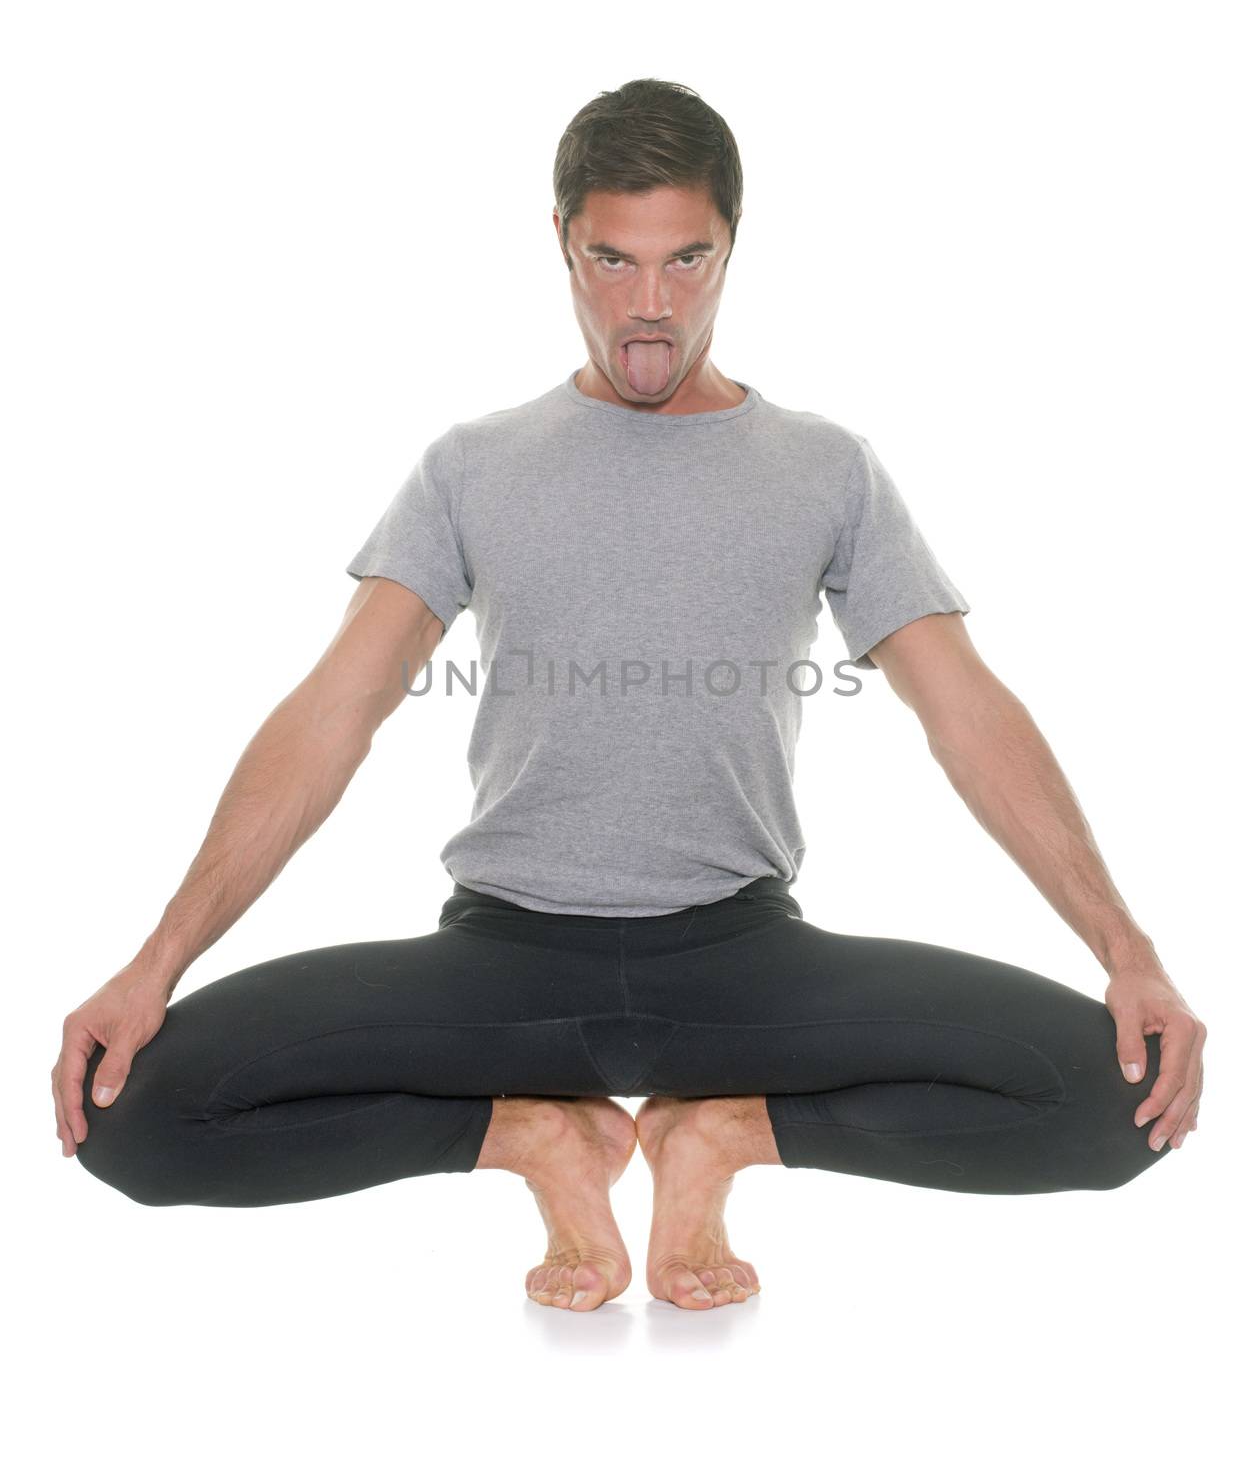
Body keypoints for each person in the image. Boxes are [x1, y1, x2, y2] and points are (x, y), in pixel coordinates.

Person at [54, 78, 1205, 1314]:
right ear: (563, 241)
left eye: (685, 258)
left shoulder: (825, 468)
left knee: (1122, 1103)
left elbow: (966, 712)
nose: (649, 302)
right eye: (612, 256)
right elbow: (332, 711)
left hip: (741, 957)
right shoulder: (471, 466)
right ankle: (533, 1138)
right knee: (129, 1116)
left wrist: (1127, 953)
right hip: (505, 963)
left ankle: (723, 1135)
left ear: (730, 248)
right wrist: (153, 961)